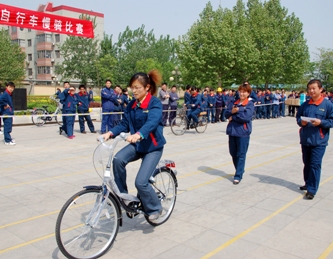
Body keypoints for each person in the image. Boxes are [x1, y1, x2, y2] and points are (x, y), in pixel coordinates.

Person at [101, 70, 166, 220]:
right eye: (132, 87)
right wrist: (110, 133)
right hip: (138, 146)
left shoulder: (154, 103)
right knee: (118, 160)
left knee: (141, 183)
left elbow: (152, 122)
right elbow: (124, 124)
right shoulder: (131, 105)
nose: (134, 90)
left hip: (152, 148)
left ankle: (155, 208)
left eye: (137, 87)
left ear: (147, 87)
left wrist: (138, 134)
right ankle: (124, 197)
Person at [296, 79, 333, 199]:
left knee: (315, 164)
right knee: (306, 163)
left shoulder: (327, 105)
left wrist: (321, 122)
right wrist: (301, 122)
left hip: (319, 141)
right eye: (309, 88)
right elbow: (298, 118)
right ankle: (307, 183)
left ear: (320, 89)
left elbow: (331, 121)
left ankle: (312, 190)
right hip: (306, 139)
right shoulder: (305, 105)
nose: (311, 91)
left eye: (314, 88)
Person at [225, 82, 254, 185]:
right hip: (232, 132)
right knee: (233, 153)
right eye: (240, 91)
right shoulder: (234, 102)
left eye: (244, 92)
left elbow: (246, 117)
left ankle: (238, 175)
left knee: (241, 154)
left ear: (248, 93)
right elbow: (226, 114)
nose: (242, 94)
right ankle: (240, 169)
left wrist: (234, 116)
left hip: (243, 133)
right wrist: (232, 112)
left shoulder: (249, 104)